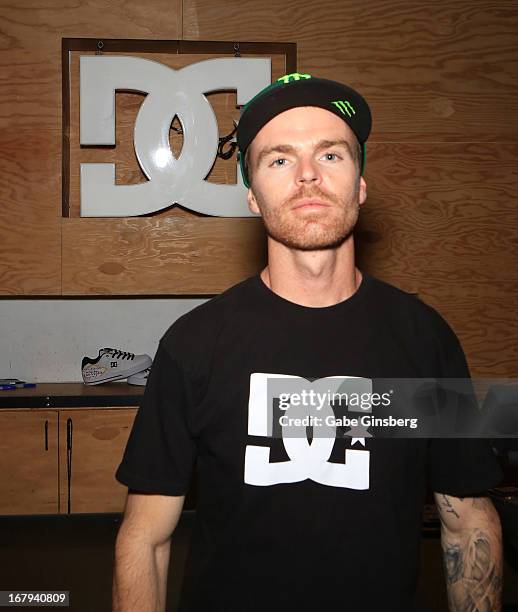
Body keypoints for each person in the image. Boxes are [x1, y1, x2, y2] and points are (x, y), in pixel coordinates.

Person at [112, 73, 503, 612]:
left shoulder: (423, 338)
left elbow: (468, 524)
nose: (307, 176)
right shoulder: (195, 344)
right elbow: (146, 539)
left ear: (360, 184)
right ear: (252, 195)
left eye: (332, 156)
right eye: (279, 159)